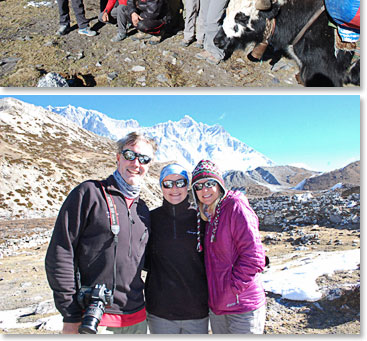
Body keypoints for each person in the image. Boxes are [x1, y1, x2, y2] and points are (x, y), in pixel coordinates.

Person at [45, 132, 158, 334]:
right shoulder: (89, 193)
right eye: (130, 155)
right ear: (118, 158)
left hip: (137, 318)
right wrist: (70, 314)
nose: (136, 163)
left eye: (144, 159)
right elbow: (61, 251)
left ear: (149, 165)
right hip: (95, 319)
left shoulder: (142, 209)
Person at [191, 160, 267, 334]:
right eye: (198, 186)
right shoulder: (207, 215)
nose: (205, 190)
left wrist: (233, 289)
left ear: (219, 185)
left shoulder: (235, 207)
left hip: (243, 306)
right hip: (218, 307)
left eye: (210, 183)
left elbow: (254, 257)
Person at [145, 163, 209, 334]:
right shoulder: (151, 219)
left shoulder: (202, 219)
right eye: (168, 183)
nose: (174, 188)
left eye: (180, 182)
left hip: (197, 312)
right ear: (161, 186)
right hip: (160, 313)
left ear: (187, 186)